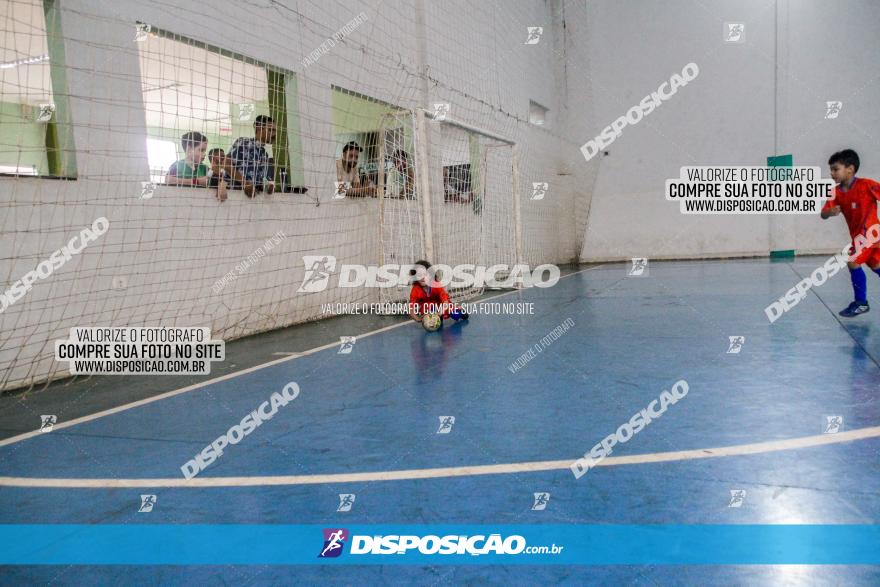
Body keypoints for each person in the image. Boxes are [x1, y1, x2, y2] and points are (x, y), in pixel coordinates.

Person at [820, 149, 880, 316]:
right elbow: (823, 214)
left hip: (871, 234)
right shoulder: (835, 192)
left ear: (850, 169)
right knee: (876, 265)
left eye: (835, 169)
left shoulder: (867, 185)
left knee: (853, 262)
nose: (832, 173)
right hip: (859, 237)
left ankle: (861, 303)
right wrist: (830, 212)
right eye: (831, 169)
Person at [166, 131, 227, 201]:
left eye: (205, 151)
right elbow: (168, 180)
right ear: (189, 150)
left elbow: (218, 180)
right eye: (201, 150)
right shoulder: (177, 165)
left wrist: (222, 186)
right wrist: (197, 181)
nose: (204, 154)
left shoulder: (205, 168)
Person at [226, 115, 276, 198]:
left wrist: (268, 186)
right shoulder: (243, 142)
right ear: (259, 128)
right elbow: (226, 164)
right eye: (271, 130)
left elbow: (260, 181)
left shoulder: (264, 154)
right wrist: (245, 183)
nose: (274, 134)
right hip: (233, 196)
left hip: (252, 201)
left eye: (275, 131)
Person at [408, 259, 468, 325]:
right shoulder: (415, 289)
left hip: (442, 304)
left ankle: (460, 311)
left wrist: (440, 312)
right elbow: (411, 308)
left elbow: (445, 301)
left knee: (455, 314)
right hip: (428, 308)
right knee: (433, 321)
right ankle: (438, 318)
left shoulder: (436, 285)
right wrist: (418, 319)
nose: (422, 277)